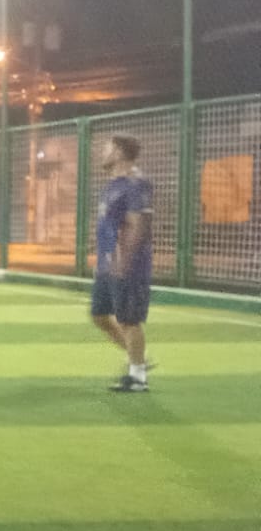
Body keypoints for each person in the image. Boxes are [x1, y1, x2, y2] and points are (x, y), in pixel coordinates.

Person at [92, 135, 154, 393]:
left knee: (129, 320)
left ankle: (138, 377)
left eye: (106, 148)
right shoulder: (113, 185)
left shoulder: (135, 184)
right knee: (99, 316)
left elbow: (137, 225)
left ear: (118, 152)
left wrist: (124, 261)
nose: (102, 152)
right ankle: (138, 359)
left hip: (128, 265)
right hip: (107, 264)